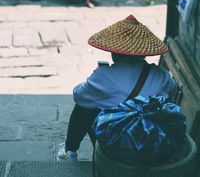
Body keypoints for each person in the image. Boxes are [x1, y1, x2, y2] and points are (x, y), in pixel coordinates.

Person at [57, 15, 177, 161]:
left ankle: (69, 151)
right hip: (154, 143)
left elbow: (79, 96)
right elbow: (171, 92)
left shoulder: (104, 76)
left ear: (114, 52)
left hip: (118, 147)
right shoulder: (163, 76)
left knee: (84, 108)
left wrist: (95, 85)